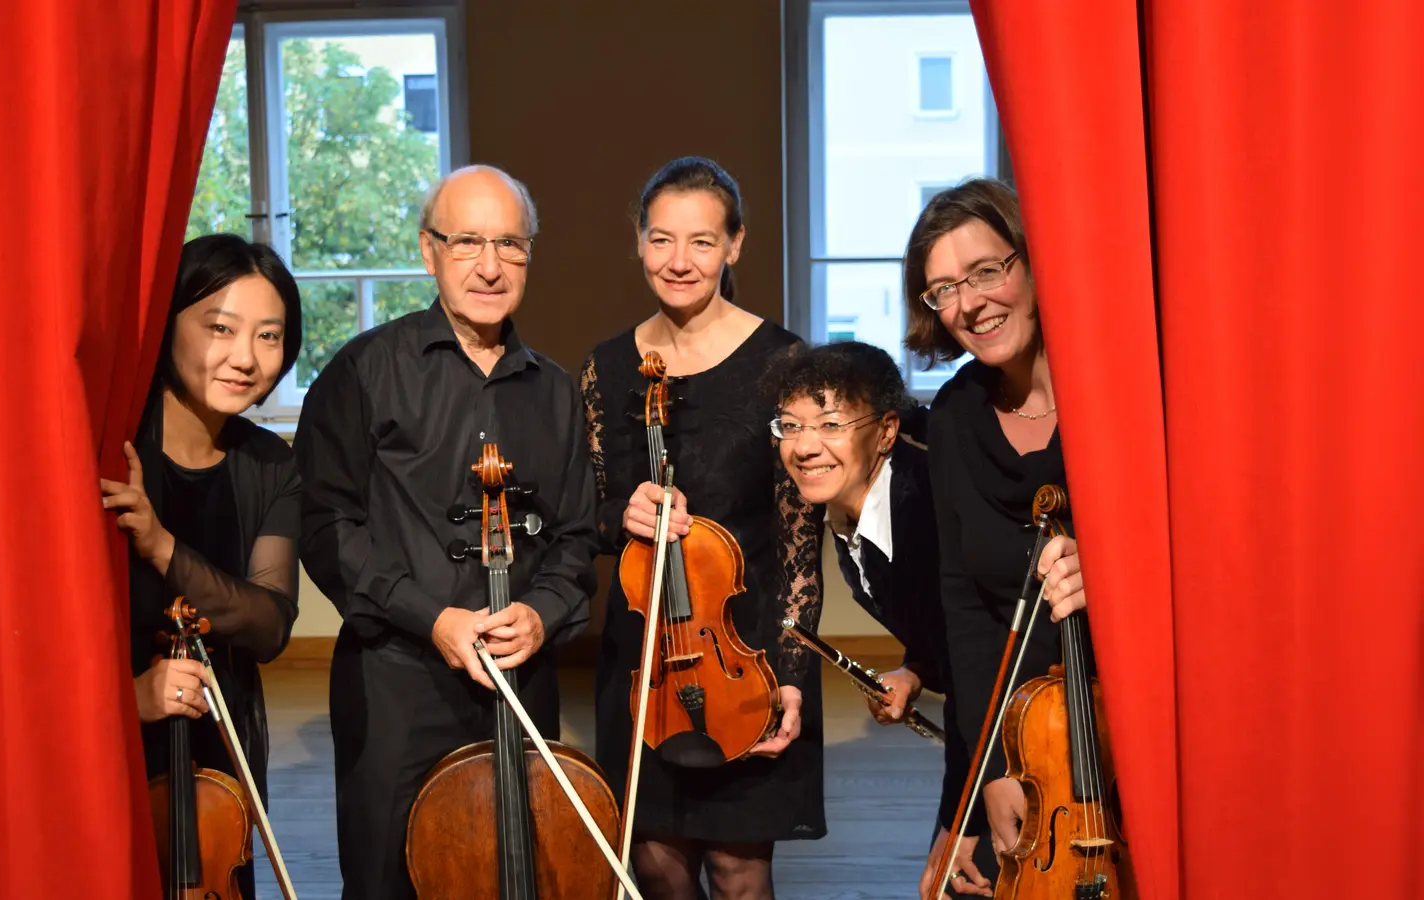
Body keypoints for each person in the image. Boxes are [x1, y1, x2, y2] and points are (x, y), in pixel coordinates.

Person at [295, 165, 600, 900]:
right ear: (428, 251)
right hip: (397, 679)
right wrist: (429, 617)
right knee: (388, 879)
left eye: (509, 245)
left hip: (519, 679)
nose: (490, 265)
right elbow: (327, 524)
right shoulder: (365, 370)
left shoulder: (556, 391)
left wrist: (543, 611)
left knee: (515, 874)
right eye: (467, 241)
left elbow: (576, 537)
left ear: (530, 255)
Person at [582, 156, 823, 899]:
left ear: (736, 245)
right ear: (639, 241)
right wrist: (617, 514)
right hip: (646, 659)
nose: (678, 261)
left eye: (701, 241)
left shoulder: (782, 363)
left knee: (740, 869)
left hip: (742, 653)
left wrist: (792, 671)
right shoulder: (606, 367)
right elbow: (582, 515)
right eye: (661, 240)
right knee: (655, 864)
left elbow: (798, 543)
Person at [101, 233, 306, 899]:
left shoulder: (270, 464)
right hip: (109, 738)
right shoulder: (111, 446)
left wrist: (161, 545)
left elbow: (268, 625)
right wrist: (123, 699)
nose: (245, 358)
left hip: (223, 741)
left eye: (269, 337)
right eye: (219, 328)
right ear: (168, 326)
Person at [906, 178, 1090, 897]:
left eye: (987, 271)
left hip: (1128, 719)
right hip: (1019, 738)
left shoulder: (1117, 390)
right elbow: (969, 615)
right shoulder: (953, 417)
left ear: (1033, 262)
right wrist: (996, 772)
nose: (970, 304)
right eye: (943, 289)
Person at [763, 340, 989, 893]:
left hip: (1021, 727)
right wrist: (914, 671)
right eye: (790, 426)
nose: (806, 447)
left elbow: (983, 659)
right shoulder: (849, 510)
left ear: (886, 431)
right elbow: (944, 631)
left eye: (831, 423)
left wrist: (964, 822)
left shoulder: (931, 503)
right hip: (981, 719)